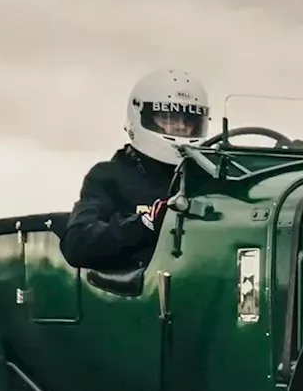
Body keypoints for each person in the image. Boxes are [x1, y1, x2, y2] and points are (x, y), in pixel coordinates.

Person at [59, 68, 210, 271]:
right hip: (140, 291)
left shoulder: (209, 176)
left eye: (189, 120)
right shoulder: (109, 177)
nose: (181, 127)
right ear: (142, 116)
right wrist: (144, 224)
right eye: (168, 118)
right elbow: (77, 243)